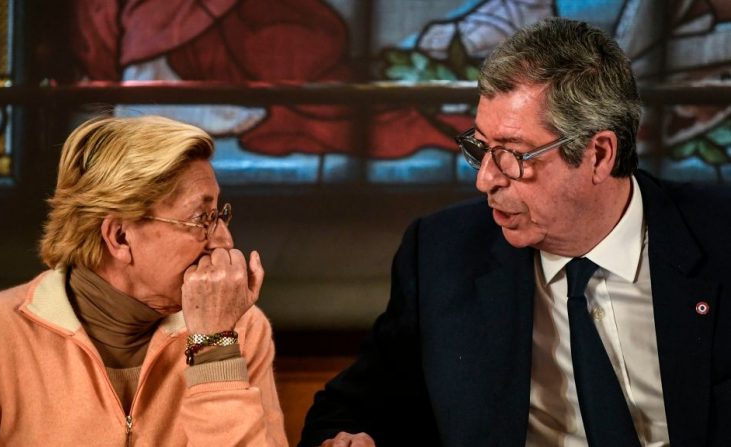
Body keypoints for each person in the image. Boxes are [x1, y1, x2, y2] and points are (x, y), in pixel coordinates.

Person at [300, 18, 731, 447]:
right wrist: (343, 440)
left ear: (599, 155)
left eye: (513, 155)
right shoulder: (441, 254)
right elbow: (347, 411)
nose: (485, 180)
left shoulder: (718, 237)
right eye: (480, 148)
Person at [0, 115, 288, 446]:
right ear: (119, 238)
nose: (224, 241)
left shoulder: (239, 330)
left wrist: (213, 348)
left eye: (220, 214)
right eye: (202, 218)